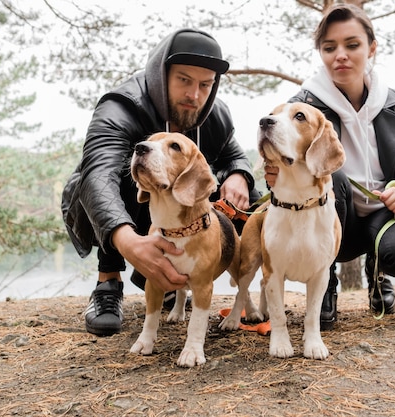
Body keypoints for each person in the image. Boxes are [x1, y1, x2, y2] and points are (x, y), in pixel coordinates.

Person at [62, 28, 260, 336]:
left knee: (241, 190)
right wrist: (130, 244)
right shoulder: (121, 105)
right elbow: (98, 176)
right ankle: (108, 282)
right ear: (160, 74)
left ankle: (185, 272)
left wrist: (239, 175)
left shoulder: (215, 115)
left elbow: (234, 156)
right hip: (115, 200)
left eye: (205, 84)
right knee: (135, 171)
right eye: (184, 80)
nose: (194, 94)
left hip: (179, 212)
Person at [265, 4, 395, 330]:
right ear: (321, 53)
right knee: (334, 170)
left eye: (352, 45)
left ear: (372, 48)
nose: (340, 55)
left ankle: (378, 270)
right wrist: (272, 171)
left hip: (382, 216)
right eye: (329, 48)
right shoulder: (303, 108)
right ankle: (324, 279)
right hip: (328, 216)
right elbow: (276, 157)